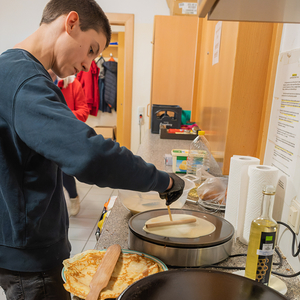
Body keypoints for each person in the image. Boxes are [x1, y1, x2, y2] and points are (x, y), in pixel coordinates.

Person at [0, 0, 184, 299]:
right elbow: (91, 155)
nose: (88, 65)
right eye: (91, 50)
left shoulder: (11, 69)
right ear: (71, 23)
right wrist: (162, 180)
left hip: (19, 240)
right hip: (30, 256)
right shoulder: (26, 81)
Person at [49, 69, 89, 216]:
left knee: (65, 172)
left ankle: (73, 197)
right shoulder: (37, 82)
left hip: (65, 136)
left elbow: (84, 111)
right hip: (44, 136)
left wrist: (62, 115)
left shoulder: (73, 84)